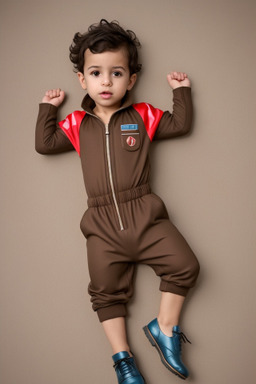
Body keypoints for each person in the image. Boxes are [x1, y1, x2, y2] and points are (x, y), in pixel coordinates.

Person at [35, 19, 200, 383]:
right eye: (96, 72)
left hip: (145, 214)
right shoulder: (78, 123)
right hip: (102, 227)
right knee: (105, 294)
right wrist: (48, 108)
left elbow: (181, 124)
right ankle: (123, 360)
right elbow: (44, 145)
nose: (106, 82)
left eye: (116, 72)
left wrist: (182, 90)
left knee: (186, 265)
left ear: (131, 79)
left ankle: (165, 329)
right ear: (83, 80)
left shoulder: (143, 116)